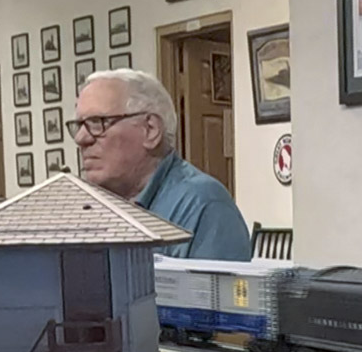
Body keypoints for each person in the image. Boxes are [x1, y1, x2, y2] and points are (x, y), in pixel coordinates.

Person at [69, 69, 251, 260]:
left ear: (150, 130)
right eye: (79, 125)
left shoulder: (205, 206)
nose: (81, 138)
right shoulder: (92, 209)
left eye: (97, 122)